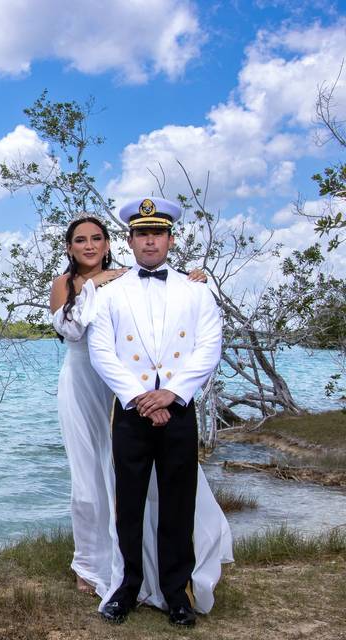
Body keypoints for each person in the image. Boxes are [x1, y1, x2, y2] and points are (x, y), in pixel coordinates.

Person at [49, 214, 232, 616]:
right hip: (112, 395)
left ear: (168, 239)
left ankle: (174, 590)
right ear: (131, 241)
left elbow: (207, 346)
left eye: (157, 234)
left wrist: (172, 394)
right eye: (142, 235)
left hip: (170, 402)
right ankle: (119, 581)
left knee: (175, 499)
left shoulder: (192, 290)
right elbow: (96, 347)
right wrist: (138, 397)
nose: (150, 242)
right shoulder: (102, 290)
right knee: (115, 492)